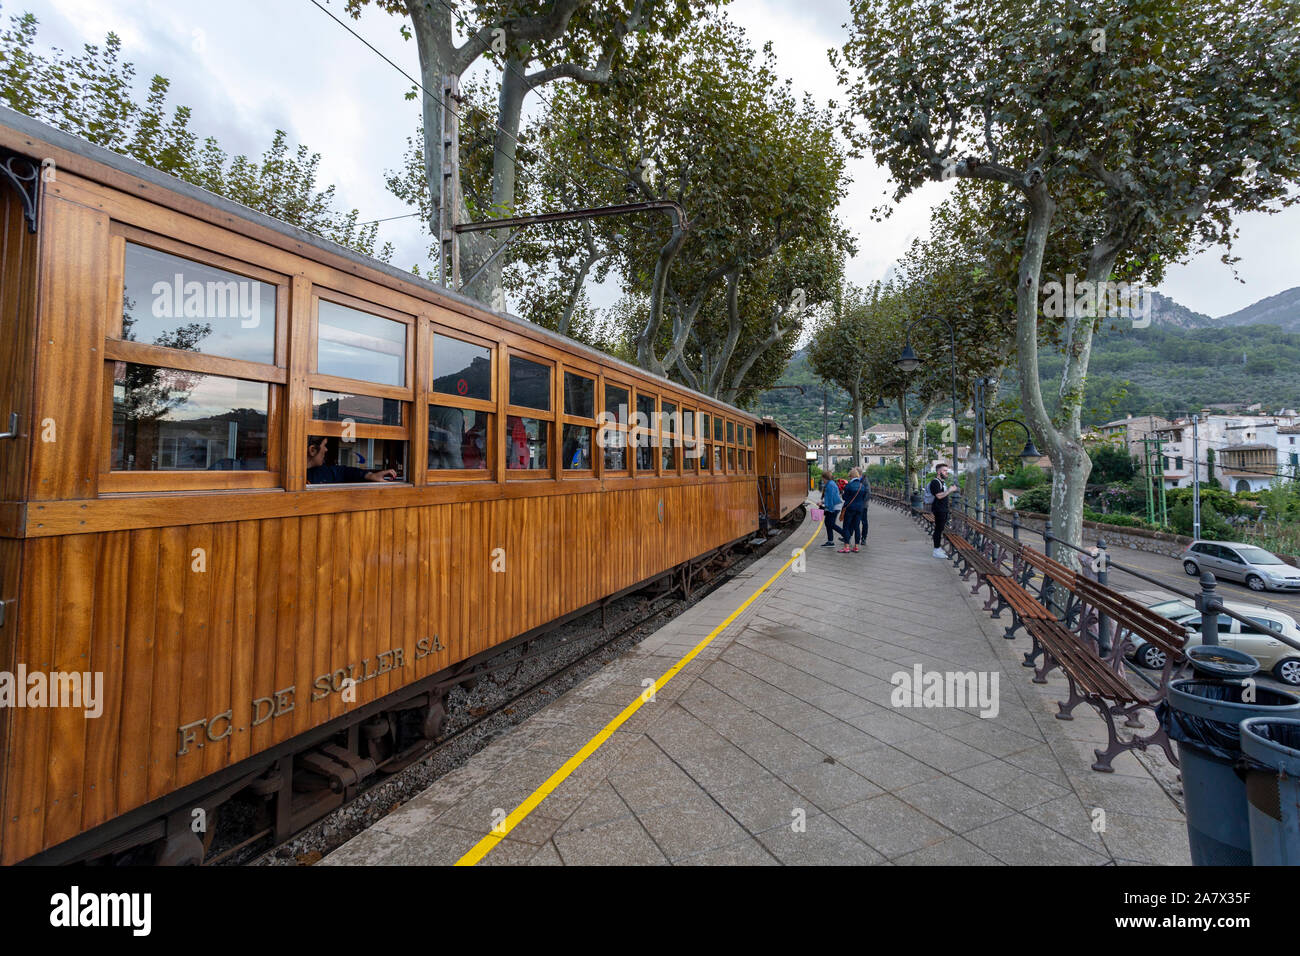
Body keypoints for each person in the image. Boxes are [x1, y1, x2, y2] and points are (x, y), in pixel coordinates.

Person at [306, 436, 397, 484]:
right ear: (312, 450)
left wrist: (371, 476)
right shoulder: (294, 477)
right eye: (324, 445)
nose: (326, 449)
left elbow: (344, 471)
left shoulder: (322, 472)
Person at [839, 467, 867, 553]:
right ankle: (856, 547)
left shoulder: (849, 485)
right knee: (857, 527)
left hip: (850, 508)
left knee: (846, 526)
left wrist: (843, 492)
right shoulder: (862, 486)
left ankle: (846, 547)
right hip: (859, 509)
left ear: (851, 476)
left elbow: (844, 497)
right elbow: (864, 497)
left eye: (849, 476)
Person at [928, 462, 953, 558]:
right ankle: (936, 550)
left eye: (947, 471)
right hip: (939, 510)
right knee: (938, 529)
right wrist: (950, 490)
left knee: (940, 529)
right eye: (945, 470)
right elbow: (938, 496)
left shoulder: (942, 482)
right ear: (939, 472)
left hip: (943, 509)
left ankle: (938, 548)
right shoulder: (935, 482)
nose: (947, 472)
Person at [820, 475, 843, 547]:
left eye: (822, 478)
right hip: (833, 507)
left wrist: (830, 509)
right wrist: (822, 502)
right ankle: (830, 541)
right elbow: (829, 497)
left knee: (831, 524)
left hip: (833, 507)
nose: (822, 480)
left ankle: (846, 535)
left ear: (825, 478)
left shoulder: (830, 485)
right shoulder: (830, 484)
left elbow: (831, 498)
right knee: (828, 523)